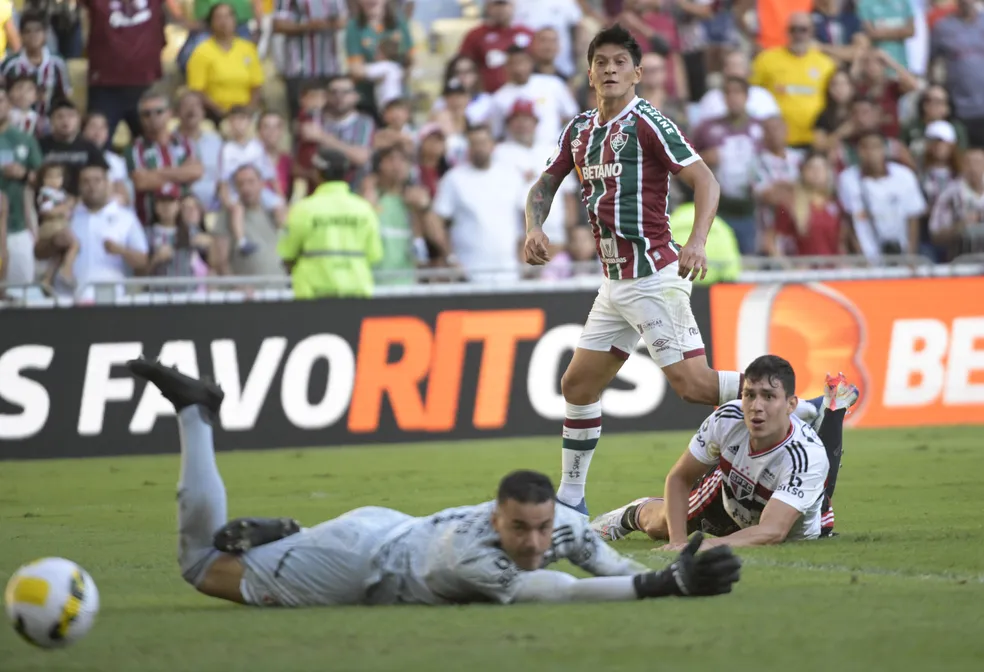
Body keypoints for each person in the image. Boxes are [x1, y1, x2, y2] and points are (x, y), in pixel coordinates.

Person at [124, 357, 743, 607]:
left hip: (383, 530)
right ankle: (197, 415)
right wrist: (665, 590)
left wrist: (666, 576)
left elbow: (604, 567)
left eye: (540, 529)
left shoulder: (559, 526)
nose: (532, 542)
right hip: (355, 562)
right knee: (199, 566)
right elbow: (558, 591)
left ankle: (283, 538)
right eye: (519, 530)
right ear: (497, 520)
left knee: (220, 559)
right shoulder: (474, 558)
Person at [523, 24, 745, 517]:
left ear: (638, 73)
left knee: (696, 388)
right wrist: (534, 226)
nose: (609, 69)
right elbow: (545, 182)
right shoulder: (579, 129)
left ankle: (801, 402)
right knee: (578, 386)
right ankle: (572, 500)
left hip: (654, 277)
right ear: (589, 72)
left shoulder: (648, 122)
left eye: (620, 62)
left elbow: (704, 179)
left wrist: (698, 241)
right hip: (614, 284)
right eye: (601, 61)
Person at [591, 356, 860, 548]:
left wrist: (703, 547)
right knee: (659, 525)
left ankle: (832, 411)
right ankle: (625, 517)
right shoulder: (728, 417)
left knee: (818, 477)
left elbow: (772, 531)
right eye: (749, 395)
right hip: (733, 493)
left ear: (789, 404)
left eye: (768, 396)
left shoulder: (805, 456)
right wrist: (678, 542)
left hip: (788, 519)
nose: (755, 406)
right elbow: (679, 479)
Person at [278, 147, 382, 299]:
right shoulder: (364, 209)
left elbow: (286, 253)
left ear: (317, 173)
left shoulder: (303, 209)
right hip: (356, 293)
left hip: (312, 295)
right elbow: (374, 255)